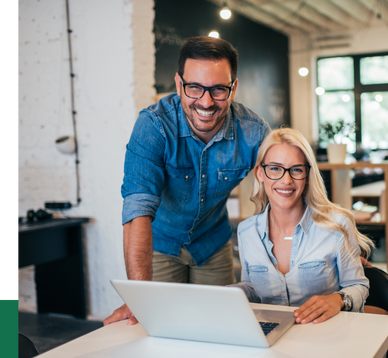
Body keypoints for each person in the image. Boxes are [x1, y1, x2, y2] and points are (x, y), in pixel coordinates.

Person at [104, 36, 270, 326]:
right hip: (159, 244)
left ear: (234, 87)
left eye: (219, 89)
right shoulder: (153, 126)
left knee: (220, 328)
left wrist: (335, 244)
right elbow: (137, 209)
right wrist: (139, 296)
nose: (206, 102)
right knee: (157, 328)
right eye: (194, 88)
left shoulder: (253, 132)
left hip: (212, 244)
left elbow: (290, 189)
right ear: (179, 84)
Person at [230, 128, 374, 324]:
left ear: (307, 175)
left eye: (296, 169)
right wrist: (230, 293)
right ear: (260, 173)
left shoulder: (336, 225)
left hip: (324, 337)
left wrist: (338, 299)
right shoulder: (247, 231)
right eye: (275, 168)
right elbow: (253, 290)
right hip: (271, 337)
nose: (286, 180)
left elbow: (358, 285)